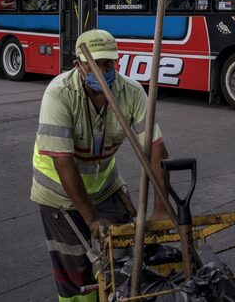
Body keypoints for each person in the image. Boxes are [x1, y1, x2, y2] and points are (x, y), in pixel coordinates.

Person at [30, 29, 169, 302]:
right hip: (58, 192)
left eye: (109, 64)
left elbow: (156, 149)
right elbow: (63, 162)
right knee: (76, 273)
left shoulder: (130, 91)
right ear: (79, 66)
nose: (104, 70)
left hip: (105, 186)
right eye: (97, 64)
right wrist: (91, 218)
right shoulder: (58, 94)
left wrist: (161, 209)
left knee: (122, 262)